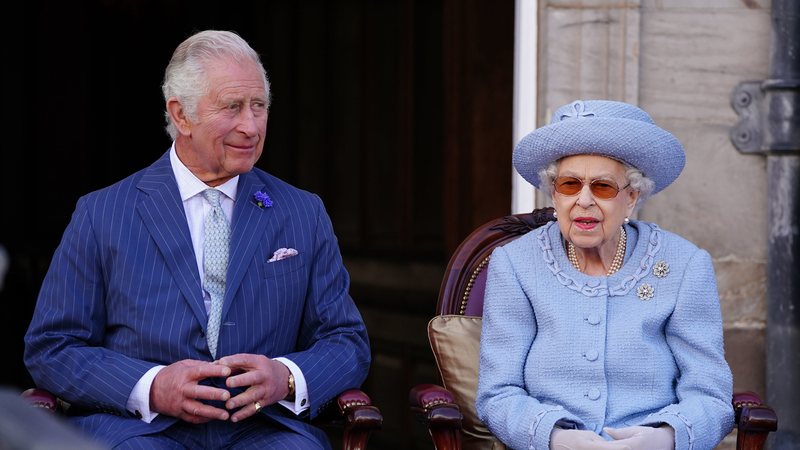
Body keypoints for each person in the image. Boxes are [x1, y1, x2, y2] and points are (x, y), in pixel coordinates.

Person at [24, 30, 371, 449]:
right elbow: (52, 347)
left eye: (259, 106)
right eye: (232, 107)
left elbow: (347, 342)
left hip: (265, 432)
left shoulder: (303, 212)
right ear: (182, 115)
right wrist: (151, 387)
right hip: (141, 432)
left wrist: (286, 376)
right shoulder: (103, 214)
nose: (250, 125)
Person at [475, 100, 733, 450]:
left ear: (632, 197)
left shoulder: (686, 265)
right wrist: (554, 438)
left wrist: (666, 439)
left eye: (602, 187)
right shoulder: (516, 264)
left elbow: (710, 395)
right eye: (569, 184)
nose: (583, 200)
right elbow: (497, 393)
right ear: (553, 192)